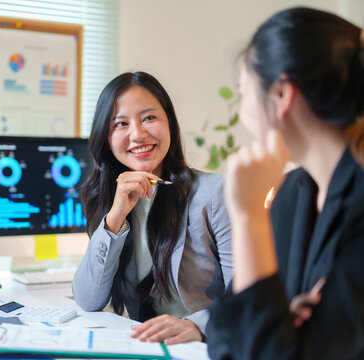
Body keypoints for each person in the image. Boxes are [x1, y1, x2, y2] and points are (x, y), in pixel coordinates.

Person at [205, 7, 364, 359]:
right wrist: (276, 325)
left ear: (281, 95)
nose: (244, 110)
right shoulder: (293, 193)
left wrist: (248, 216)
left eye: (243, 93)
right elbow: (225, 339)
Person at [72, 71, 233, 344]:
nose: (137, 134)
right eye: (121, 123)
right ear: (106, 138)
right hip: (147, 347)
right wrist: (115, 218)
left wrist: (197, 327)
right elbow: (88, 299)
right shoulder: (109, 198)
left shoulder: (215, 194)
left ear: (169, 122)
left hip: (207, 346)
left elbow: (249, 292)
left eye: (149, 118)